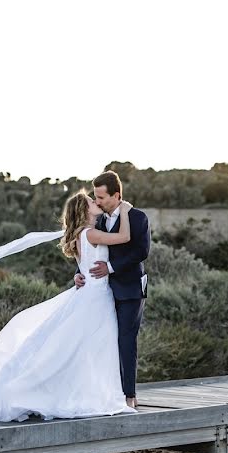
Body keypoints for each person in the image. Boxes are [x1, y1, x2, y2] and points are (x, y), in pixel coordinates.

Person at [0, 189, 138, 422]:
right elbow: (125, 237)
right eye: (90, 201)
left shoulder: (81, 235)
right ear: (84, 211)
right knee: (89, 347)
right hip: (95, 298)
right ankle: (84, 394)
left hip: (91, 294)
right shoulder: (91, 234)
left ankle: (87, 391)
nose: (95, 202)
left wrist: (80, 274)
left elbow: (87, 264)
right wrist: (125, 211)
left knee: (82, 348)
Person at [74, 171, 151, 409]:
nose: (96, 202)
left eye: (101, 197)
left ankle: (129, 395)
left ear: (116, 195)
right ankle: (104, 392)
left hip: (129, 289)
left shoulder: (137, 217)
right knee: (102, 341)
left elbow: (141, 252)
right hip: (102, 292)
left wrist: (110, 267)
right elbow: (87, 251)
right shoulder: (96, 220)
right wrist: (78, 275)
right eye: (94, 197)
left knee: (126, 340)